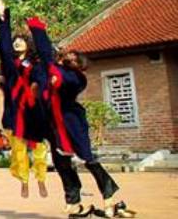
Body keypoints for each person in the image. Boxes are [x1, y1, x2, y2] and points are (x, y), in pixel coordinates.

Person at [29, 18, 136, 218]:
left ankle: (109, 196)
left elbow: (55, 69)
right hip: (54, 124)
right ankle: (73, 201)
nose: (68, 56)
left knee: (88, 158)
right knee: (61, 163)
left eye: (73, 57)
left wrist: (38, 31)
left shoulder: (76, 78)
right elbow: (43, 56)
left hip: (72, 122)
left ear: (78, 63)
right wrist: (37, 31)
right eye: (66, 54)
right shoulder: (52, 70)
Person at [0, 0, 51, 200]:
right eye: (15, 41)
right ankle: (24, 181)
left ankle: (41, 178)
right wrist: (3, 18)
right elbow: (3, 45)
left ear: (28, 44)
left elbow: (43, 73)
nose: (17, 42)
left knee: (39, 148)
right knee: (18, 151)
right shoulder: (10, 65)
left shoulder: (36, 63)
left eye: (21, 40)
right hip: (15, 111)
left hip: (34, 111)